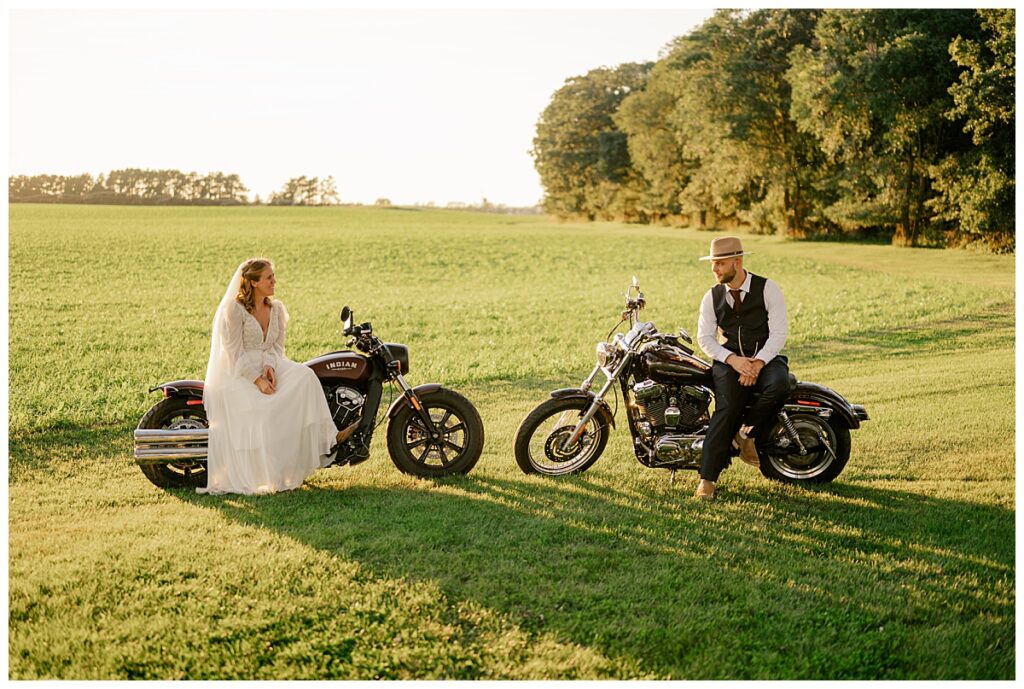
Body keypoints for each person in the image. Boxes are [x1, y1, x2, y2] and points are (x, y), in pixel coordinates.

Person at [199, 258, 340, 495]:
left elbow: (276, 348)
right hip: (239, 372)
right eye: (269, 278)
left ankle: (329, 437)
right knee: (265, 409)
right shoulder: (234, 310)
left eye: (273, 276)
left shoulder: (276, 309)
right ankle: (270, 473)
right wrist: (258, 379)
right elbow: (233, 353)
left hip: (270, 365)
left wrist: (270, 368)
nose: (274, 281)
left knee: (305, 376)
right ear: (253, 282)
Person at [694, 237, 790, 501]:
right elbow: (705, 338)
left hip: (765, 358)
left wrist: (758, 363)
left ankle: (746, 433)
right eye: (713, 264)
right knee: (726, 408)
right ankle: (707, 481)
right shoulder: (711, 296)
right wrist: (734, 361)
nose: (715, 270)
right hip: (728, 362)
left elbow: (780, 332)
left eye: (720, 264)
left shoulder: (768, 288)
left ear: (738, 262)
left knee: (781, 385)